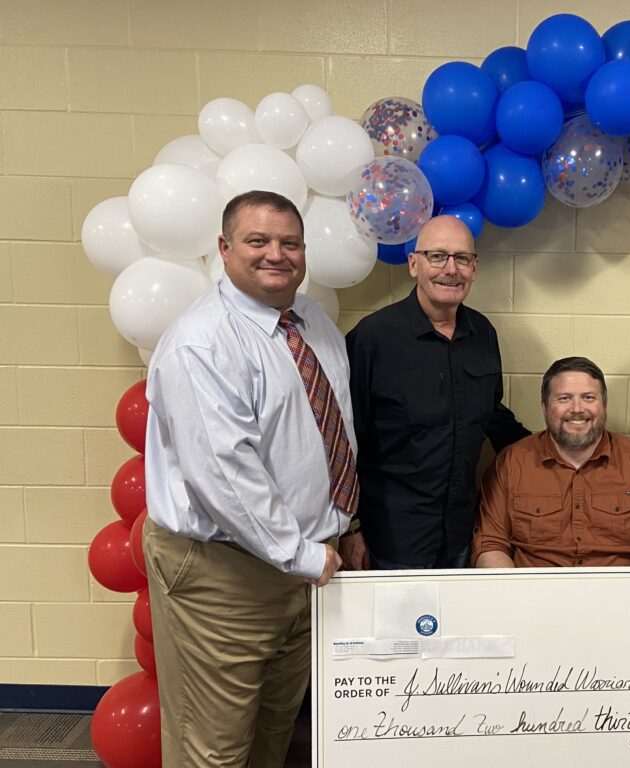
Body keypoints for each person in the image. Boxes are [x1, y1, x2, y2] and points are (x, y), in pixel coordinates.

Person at [143, 190, 365, 766]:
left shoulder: (312, 322)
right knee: (213, 751)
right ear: (224, 248)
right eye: (257, 241)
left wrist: (345, 525)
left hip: (300, 567)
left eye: (290, 242)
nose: (276, 255)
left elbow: (328, 434)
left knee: (273, 737)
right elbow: (224, 474)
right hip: (225, 575)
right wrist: (302, 553)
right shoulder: (202, 342)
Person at [346, 215, 529, 569]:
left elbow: (492, 415)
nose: (451, 269)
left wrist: (553, 451)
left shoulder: (483, 334)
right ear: (414, 264)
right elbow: (343, 440)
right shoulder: (373, 338)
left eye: (462, 258)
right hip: (391, 540)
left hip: (462, 534)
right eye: (437, 256)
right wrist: (350, 528)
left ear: (474, 268)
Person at [474, 356, 630, 568]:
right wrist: (512, 598)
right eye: (564, 398)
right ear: (544, 407)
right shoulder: (510, 464)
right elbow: (490, 545)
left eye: (588, 398)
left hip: (623, 601)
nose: (577, 409)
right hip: (538, 602)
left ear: (603, 405)